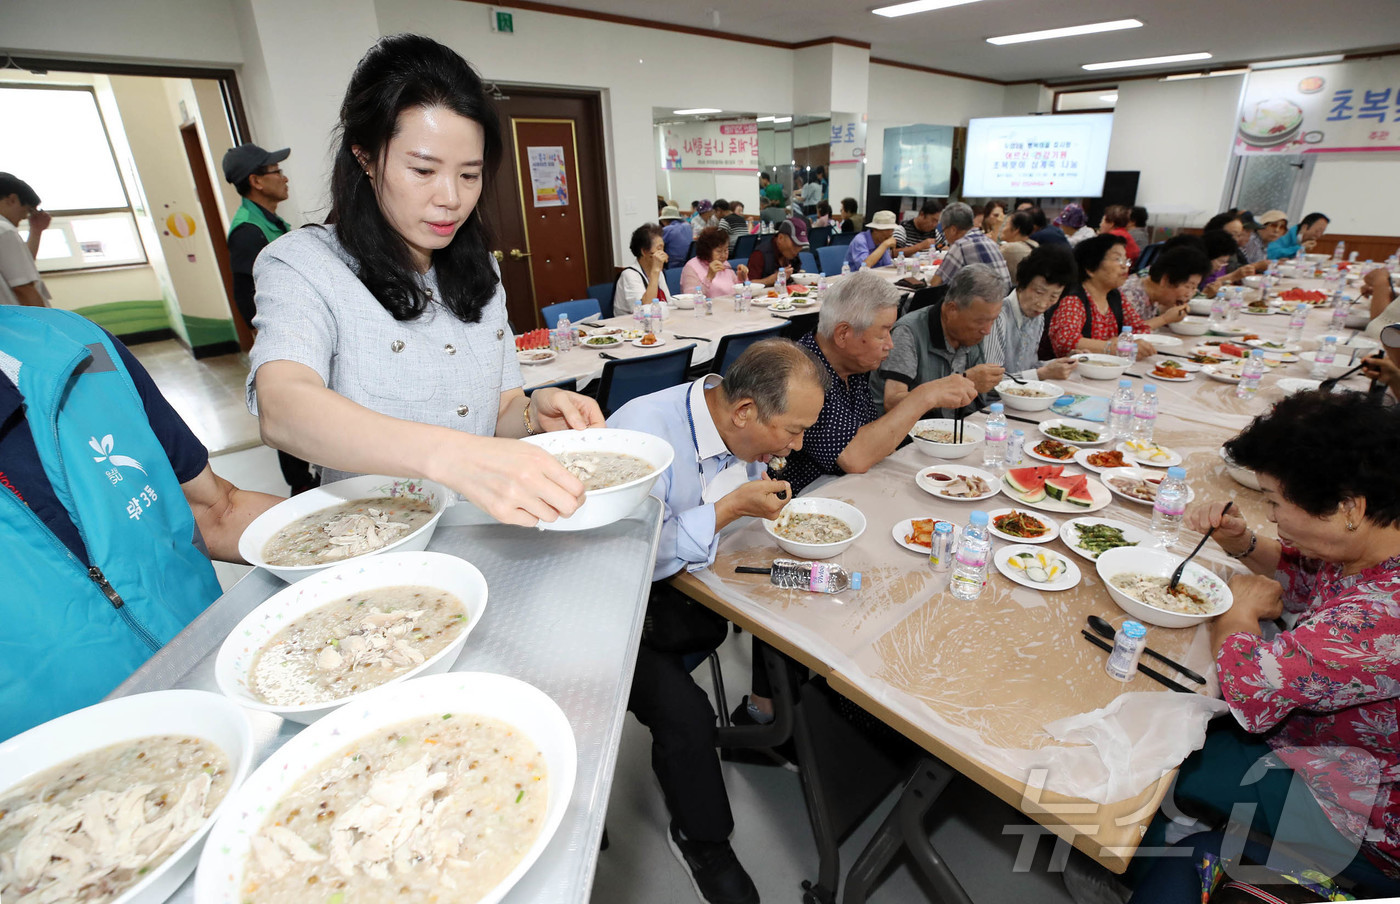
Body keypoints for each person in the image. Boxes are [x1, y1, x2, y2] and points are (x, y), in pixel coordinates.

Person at [247, 34, 603, 529]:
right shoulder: (305, 265)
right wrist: (451, 457)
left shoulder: (480, 268)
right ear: (366, 157)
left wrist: (531, 414)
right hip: (381, 550)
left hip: (490, 533)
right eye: (423, 169)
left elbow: (496, 408)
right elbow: (283, 406)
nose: (451, 199)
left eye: (470, 175)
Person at [608, 339, 827, 904]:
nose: (797, 447)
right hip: (617, 603)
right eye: (793, 431)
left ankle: (767, 715)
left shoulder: (732, 420)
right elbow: (624, 553)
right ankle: (703, 840)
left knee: (801, 593)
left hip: (688, 589)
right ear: (746, 412)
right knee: (686, 716)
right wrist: (729, 509)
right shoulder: (642, 433)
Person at [1, 304, 283, 738]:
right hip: (75, 774)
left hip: (227, 688)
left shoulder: (72, 344)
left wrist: (368, 529)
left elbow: (214, 510)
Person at [1161, 391, 1400, 898]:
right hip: (1332, 751)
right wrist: (1241, 543)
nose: (1270, 516)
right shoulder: (1375, 542)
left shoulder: (1382, 620)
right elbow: (1307, 574)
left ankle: (1153, 858)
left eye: (1273, 501)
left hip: (1358, 808)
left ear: (1348, 507)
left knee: (1167, 756)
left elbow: (1249, 689)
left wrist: (1238, 613)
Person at [780, 271, 977, 494]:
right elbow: (855, 457)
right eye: (883, 334)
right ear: (843, 334)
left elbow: (874, 438)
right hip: (807, 499)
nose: (890, 345)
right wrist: (925, 396)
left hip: (850, 489)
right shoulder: (803, 374)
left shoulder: (850, 367)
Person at [221, 144, 318, 497]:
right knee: (289, 404)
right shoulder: (248, 232)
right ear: (256, 181)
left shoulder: (269, 222)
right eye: (276, 171)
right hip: (282, 336)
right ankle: (303, 484)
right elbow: (246, 294)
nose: (285, 177)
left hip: (296, 328)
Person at [874, 263, 1008, 413]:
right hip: (913, 433)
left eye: (993, 320)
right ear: (952, 310)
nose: (987, 330)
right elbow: (892, 402)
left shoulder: (971, 333)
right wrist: (964, 382)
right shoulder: (909, 332)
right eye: (980, 321)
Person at [1042, 234, 1158, 360]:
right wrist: (1113, 346)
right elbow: (1066, 341)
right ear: (1090, 268)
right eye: (1117, 259)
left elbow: (1140, 328)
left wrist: (1120, 342)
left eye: (1126, 260)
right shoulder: (1073, 298)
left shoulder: (1114, 295)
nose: (1125, 266)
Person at [984, 244, 1078, 383]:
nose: (1043, 304)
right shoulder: (997, 316)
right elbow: (989, 382)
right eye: (1039, 292)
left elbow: (1028, 368)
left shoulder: (1037, 317)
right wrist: (1042, 374)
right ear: (1021, 283)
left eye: (1053, 296)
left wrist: (1063, 363)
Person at [928, 201, 1010, 294]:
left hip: (985, 305)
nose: (945, 235)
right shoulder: (989, 241)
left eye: (944, 231)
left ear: (953, 230)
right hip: (1004, 302)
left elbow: (936, 283)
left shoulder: (960, 245)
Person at [1119, 245, 1212, 323]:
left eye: (1194, 288)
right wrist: (1164, 319)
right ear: (1165, 280)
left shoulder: (1155, 296)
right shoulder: (1130, 294)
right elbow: (1126, 334)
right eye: (1188, 286)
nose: (1189, 294)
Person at [0, 173, 52, 307]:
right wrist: (47, 325)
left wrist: (36, 230)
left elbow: (19, 267)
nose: (25, 217)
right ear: (12, 199)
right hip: (17, 322)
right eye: (27, 210)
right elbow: (24, 289)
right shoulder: (5, 230)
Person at [614, 223, 670, 314]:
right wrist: (655, 273)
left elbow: (667, 302)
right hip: (630, 324)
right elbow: (643, 310)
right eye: (659, 249)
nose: (663, 254)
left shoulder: (658, 271)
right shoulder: (629, 275)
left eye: (663, 249)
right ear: (644, 251)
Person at [682, 226, 749, 297]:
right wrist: (709, 277)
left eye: (726, 250)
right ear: (706, 250)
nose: (723, 255)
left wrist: (742, 279)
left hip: (728, 305)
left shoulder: (725, 263)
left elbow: (735, 291)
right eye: (719, 251)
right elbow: (690, 297)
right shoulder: (691, 267)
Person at [747, 220, 803, 285]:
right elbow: (748, 284)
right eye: (795, 244)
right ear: (780, 238)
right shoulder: (759, 254)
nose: (798, 249)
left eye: (801, 244)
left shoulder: (792, 253)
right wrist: (771, 279)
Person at [997, 209, 1039, 283]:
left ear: (1016, 229)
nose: (1002, 229)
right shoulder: (1035, 244)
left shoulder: (1009, 249)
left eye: (1005, 224)